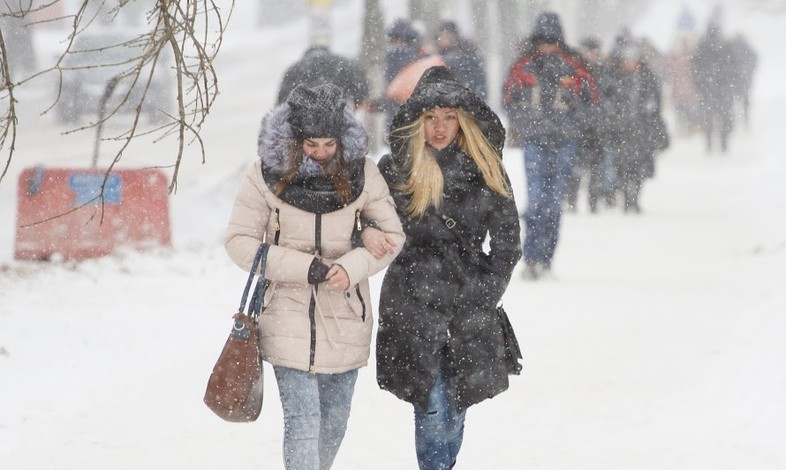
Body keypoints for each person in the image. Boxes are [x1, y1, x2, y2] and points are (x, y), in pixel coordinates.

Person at [223, 83, 405, 470]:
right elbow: (239, 242)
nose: (321, 154)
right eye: (310, 145)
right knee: (303, 423)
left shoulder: (364, 174)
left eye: (329, 144)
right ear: (293, 140)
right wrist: (305, 268)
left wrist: (352, 266)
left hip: (346, 315)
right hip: (285, 313)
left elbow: (393, 237)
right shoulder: (263, 176)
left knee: (333, 426)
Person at [373, 66, 521, 470]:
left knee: (455, 408)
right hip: (412, 300)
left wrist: (485, 293)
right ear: (416, 121)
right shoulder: (395, 170)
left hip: (467, 302)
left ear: (463, 120)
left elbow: (508, 244)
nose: (439, 127)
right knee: (432, 405)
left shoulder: (486, 169)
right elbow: (368, 228)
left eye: (449, 117)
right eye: (430, 118)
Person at [502, 11, 598, 280]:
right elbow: (508, 97)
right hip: (535, 142)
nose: (547, 46)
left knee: (553, 204)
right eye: (543, 40)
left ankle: (546, 257)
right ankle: (532, 256)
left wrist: (572, 125)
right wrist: (525, 123)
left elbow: (591, 101)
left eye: (551, 40)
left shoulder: (574, 67)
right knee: (535, 202)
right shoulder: (523, 67)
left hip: (564, 143)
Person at [602, 40, 666, 213]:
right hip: (621, 131)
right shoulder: (615, 78)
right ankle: (625, 199)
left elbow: (655, 106)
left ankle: (635, 200)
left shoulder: (648, 79)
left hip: (642, 132)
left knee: (639, 169)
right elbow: (608, 102)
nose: (630, 62)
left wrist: (653, 125)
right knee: (622, 168)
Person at [566, 36, 607, 213]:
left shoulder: (603, 73)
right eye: (588, 50)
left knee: (597, 168)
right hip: (577, 128)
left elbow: (609, 98)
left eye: (594, 51)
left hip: (598, 129)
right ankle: (572, 200)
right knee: (575, 168)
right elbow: (570, 98)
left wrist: (601, 115)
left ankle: (593, 202)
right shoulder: (573, 71)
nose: (591, 54)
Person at [691, 22, 736, 153]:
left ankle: (710, 143)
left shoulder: (702, 46)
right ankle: (723, 142)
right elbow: (732, 66)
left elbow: (695, 68)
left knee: (709, 118)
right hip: (720, 89)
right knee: (723, 116)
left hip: (708, 89)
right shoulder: (724, 46)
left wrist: (699, 84)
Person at [275, 45, 370, 107]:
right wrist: (359, 100)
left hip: (305, 121)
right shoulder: (344, 64)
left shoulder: (294, 69)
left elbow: (281, 104)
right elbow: (361, 85)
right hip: (337, 115)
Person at [434, 20, 488, 101]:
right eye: (440, 36)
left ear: (452, 36)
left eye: (445, 36)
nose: (441, 39)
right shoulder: (445, 54)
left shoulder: (458, 56)